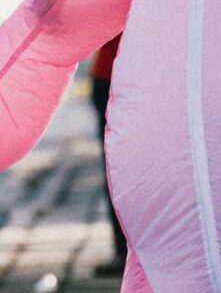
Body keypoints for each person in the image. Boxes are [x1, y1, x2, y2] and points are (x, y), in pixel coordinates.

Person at [88, 35, 128, 277]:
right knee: (118, 170)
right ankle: (124, 250)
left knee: (119, 169)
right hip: (115, 75)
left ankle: (126, 251)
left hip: (115, 73)